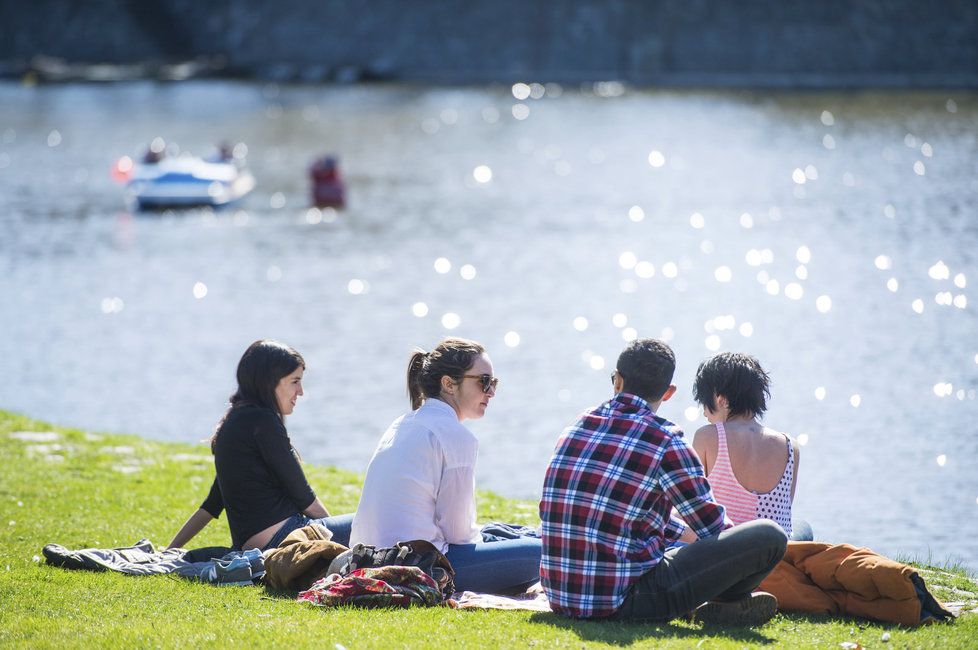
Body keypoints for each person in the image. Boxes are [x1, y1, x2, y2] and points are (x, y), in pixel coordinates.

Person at [540, 338, 787, 624]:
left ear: (617, 381)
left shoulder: (577, 427)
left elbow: (616, 510)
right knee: (770, 537)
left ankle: (720, 606)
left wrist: (684, 535)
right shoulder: (665, 440)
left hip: (559, 597)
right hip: (624, 601)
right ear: (668, 393)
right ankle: (726, 603)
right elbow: (712, 528)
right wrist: (734, 552)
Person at [349, 337, 541, 594]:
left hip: (366, 559)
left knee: (503, 532)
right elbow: (458, 533)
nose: (491, 391)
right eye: (484, 381)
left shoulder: (403, 423)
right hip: (419, 568)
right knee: (544, 552)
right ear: (449, 384)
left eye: (493, 382)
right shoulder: (455, 437)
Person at [168, 339, 352, 551]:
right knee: (369, 524)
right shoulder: (264, 423)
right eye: (295, 381)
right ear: (270, 381)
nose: (301, 391)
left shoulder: (233, 423)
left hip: (252, 547)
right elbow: (305, 498)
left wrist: (170, 550)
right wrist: (335, 546)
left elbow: (211, 505)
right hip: (284, 538)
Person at [691, 352, 812, 541]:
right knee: (802, 527)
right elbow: (785, 508)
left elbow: (693, 504)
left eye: (704, 402)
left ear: (721, 400)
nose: (704, 412)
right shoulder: (791, 446)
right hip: (775, 551)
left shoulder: (708, 436)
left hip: (727, 552)